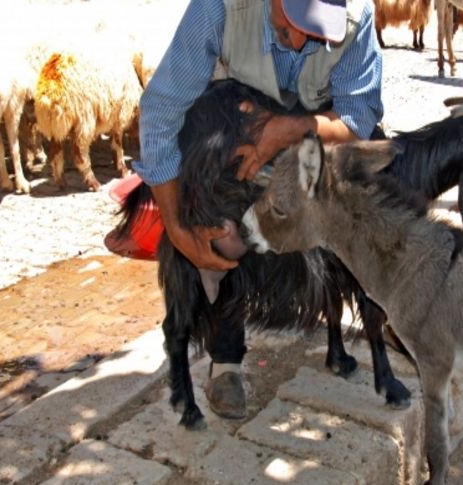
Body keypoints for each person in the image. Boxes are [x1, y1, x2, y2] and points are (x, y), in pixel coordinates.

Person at [134, 0, 383, 420]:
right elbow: (160, 114)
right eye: (295, 21)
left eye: (317, 27)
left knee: (373, 187)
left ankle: (380, 313)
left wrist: (292, 131)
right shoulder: (218, 9)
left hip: (308, 135)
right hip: (231, 132)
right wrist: (176, 227)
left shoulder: (358, 17)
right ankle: (226, 358)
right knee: (216, 228)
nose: (303, 41)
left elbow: (358, 120)